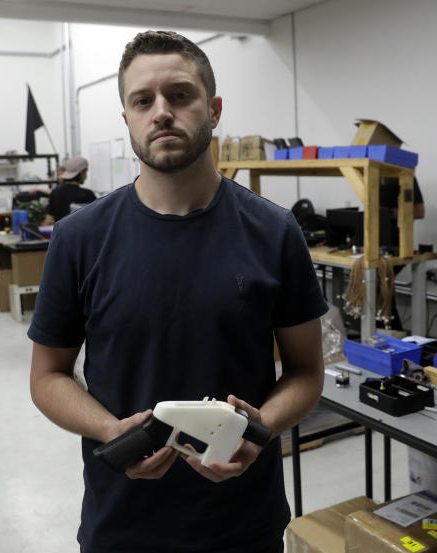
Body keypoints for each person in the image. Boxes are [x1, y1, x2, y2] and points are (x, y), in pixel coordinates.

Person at [27, 30, 328, 553]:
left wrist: (260, 430)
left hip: (243, 523)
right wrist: (109, 430)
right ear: (127, 119)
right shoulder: (79, 239)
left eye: (180, 95)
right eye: (143, 100)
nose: (161, 112)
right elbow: (47, 375)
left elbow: (306, 371)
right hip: (122, 522)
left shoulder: (275, 232)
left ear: (212, 108)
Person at [42, 156, 96, 224]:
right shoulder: (87, 194)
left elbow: (49, 218)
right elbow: (96, 218)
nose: (86, 176)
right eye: (86, 172)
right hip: (82, 233)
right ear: (82, 172)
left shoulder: (55, 192)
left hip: (61, 233)